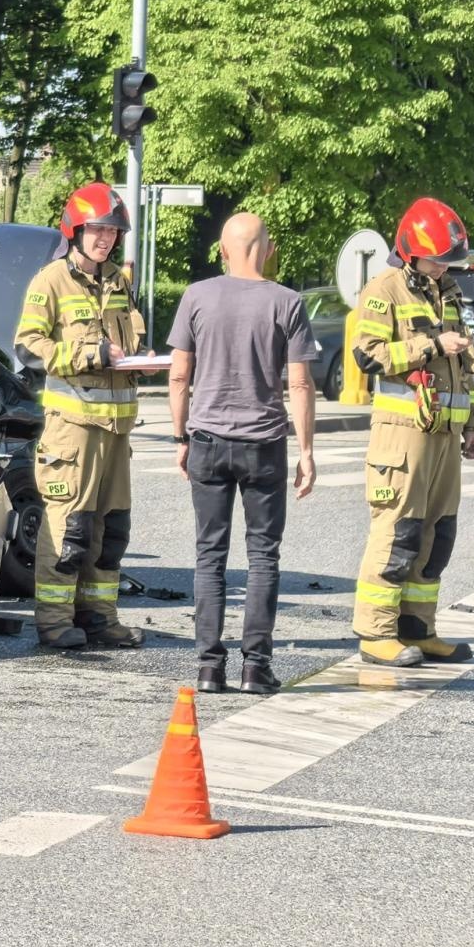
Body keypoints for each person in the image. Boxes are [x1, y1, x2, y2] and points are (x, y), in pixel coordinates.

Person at [167, 213, 318, 695]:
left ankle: (209, 668)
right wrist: (308, 450)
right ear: (267, 249)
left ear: (222, 249)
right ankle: (256, 667)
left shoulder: (196, 296)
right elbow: (298, 382)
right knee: (262, 556)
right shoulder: (288, 302)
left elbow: (178, 375)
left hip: (207, 442)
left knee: (209, 556)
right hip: (264, 444)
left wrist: (180, 437)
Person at [349, 197, 474, 667]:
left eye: (449, 261)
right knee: (398, 532)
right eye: (438, 259)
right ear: (411, 252)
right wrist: (430, 344)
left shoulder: (445, 292)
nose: (445, 267)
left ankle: (418, 629)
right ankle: (376, 633)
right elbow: (367, 355)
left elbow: (463, 369)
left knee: (437, 534)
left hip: (446, 436)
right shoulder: (385, 289)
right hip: (403, 436)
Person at [14, 182, 148, 650]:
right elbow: (28, 347)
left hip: (117, 429)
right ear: (75, 229)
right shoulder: (50, 280)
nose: (105, 238)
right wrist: (89, 352)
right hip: (72, 430)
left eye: (112, 230)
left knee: (110, 531)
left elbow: (127, 343)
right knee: (68, 528)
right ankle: (54, 622)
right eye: (96, 228)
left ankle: (99, 618)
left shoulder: (119, 281)